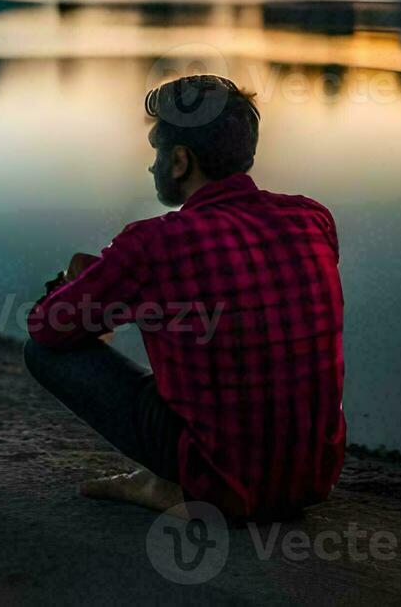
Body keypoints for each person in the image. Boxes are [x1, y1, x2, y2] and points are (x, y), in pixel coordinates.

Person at [23, 74, 345, 519]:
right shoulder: (312, 219)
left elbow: (48, 327)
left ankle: (176, 485)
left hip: (221, 485)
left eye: (156, 151)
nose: (150, 166)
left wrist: (71, 285)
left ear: (179, 161)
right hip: (310, 479)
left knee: (42, 351)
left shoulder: (156, 242)